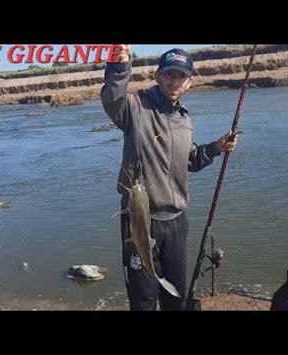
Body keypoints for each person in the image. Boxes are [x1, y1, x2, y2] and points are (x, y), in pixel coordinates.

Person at [101, 45, 238, 310]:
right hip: (141, 219)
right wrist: (119, 66)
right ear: (158, 76)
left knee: (175, 295)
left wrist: (215, 148)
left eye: (181, 76)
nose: (174, 81)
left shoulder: (184, 119)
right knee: (143, 298)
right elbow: (113, 98)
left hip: (176, 223)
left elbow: (190, 160)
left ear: (190, 82)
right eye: (169, 75)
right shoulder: (135, 106)